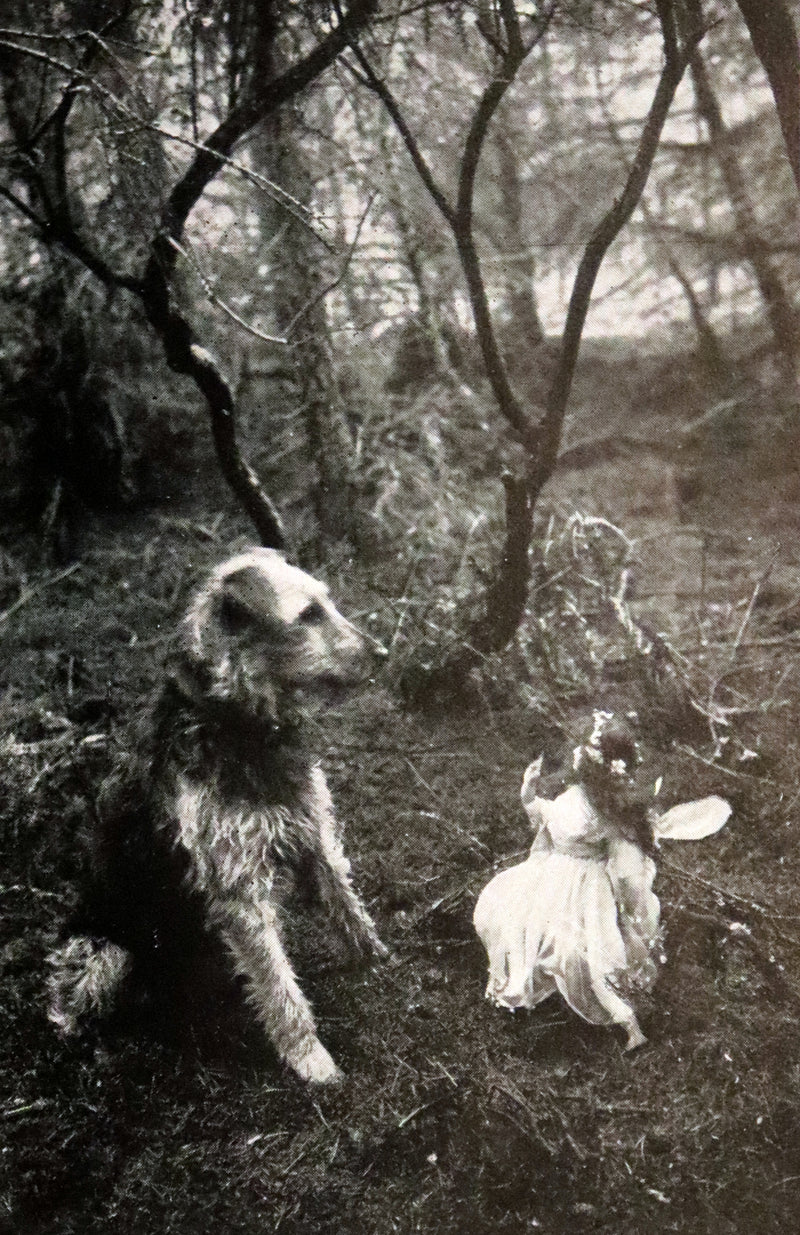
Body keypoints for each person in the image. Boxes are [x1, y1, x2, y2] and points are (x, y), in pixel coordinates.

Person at [474, 711, 729, 1050]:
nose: (576, 760)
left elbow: (565, 827)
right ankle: (612, 1014)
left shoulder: (591, 807)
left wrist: (531, 797)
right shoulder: (593, 805)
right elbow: (553, 819)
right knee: (558, 932)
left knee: (570, 941)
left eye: (581, 756)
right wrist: (529, 794)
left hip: (570, 879)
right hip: (568, 878)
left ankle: (624, 1022)